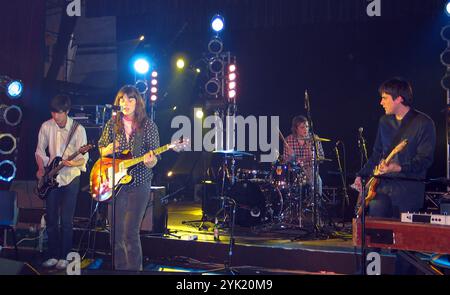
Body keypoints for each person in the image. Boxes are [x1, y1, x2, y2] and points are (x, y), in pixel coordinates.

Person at [352, 77, 436, 274]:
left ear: (399, 99)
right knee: (372, 239)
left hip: (409, 191)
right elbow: (377, 155)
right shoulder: (384, 122)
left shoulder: (424, 123)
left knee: (405, 248)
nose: (381, 102)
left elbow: (425, 160)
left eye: (385, 98)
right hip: (382, 189)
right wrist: (361, 175)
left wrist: (399, 168)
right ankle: (369, 272)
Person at [98, 85, 159, 271]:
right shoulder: (111, 124)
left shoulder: (148, 125)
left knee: (130, 232)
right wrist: (108, 150)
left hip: (139, 183)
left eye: (130, 99)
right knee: (115, 233)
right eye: (122, 99)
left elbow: (154, 158)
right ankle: (120, 269)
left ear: (137, 102)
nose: (126, 103)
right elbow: (101, 149)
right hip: (116, 184)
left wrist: (150, 161)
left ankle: (134, 270)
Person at [35, 94, 89, 270]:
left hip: (71, 177)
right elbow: (39, 151)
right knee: (51, 219)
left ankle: (65, 256)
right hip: (52, 178)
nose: (56, 116)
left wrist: (71, 162)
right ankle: (53, 254)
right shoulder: (46, 126)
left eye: (59, 113)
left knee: (66, 220)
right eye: (53, 113)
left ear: (67, 111)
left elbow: (84, 158)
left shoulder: (78, 129)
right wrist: (42, 168)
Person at [283, 115, 325, 192]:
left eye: (307, 126)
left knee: (318, 181)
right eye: (302, 127)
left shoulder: (314, 139)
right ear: (296, 129)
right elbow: (286, 162)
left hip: (310, 171)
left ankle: (316, 203)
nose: (306, 129)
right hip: (295, 172)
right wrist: (291, 157)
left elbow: (321, 157)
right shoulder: (288, 140)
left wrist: (313, 156)